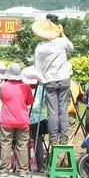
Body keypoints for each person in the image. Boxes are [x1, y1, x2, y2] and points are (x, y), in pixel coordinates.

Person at [32, 17, 74, 146]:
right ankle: (64, 136)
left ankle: (54, 137)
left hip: (49, 80)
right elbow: (71, 48)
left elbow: (37, 66)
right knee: (63, 109)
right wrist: (62, 32)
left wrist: (42, 78)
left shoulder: (40, 47)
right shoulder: (61, 42)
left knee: (52, 111)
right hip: (64, 79)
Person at [0, 63, 33, 177]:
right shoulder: (25, 86)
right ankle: (23, 170)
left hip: (7, 119)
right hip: (22, 119)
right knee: (22, 145)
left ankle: (4, 169)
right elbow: (30, 102)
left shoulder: (3, 86)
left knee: (5, 144)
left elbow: (3, 99)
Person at [22, 66, 48, 171]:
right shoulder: (41, 89)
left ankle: (25, 165)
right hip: (39, 118)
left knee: (25, 142)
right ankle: (41, 166)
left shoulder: (23, 88)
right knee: (38, 142)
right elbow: (45, 104)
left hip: (25, 117)